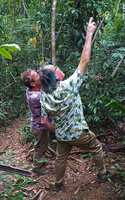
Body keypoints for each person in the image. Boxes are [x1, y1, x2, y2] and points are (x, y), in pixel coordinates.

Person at [39, 17, 113, 191]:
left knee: (60, 158)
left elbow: (44, 121)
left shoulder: (44, 97)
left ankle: (58, 183)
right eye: (55, 68)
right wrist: (89, 33)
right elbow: (84, 60)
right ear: (56, 77)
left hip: (62, 135)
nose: (57, 68)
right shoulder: (68, 87)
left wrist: (55, 129)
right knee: (95, 146)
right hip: (78, 132)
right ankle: (102, 174)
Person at [21, 64, 65, 175]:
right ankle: (36, 168)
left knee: (42, 146)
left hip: (38, 125)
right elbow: (52, 92)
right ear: (32, 83)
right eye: (37, 76)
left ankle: (39, 161)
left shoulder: (30, 88)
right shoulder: (36, 96)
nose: (40, 76)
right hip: (40, 127)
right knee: (40, 147)